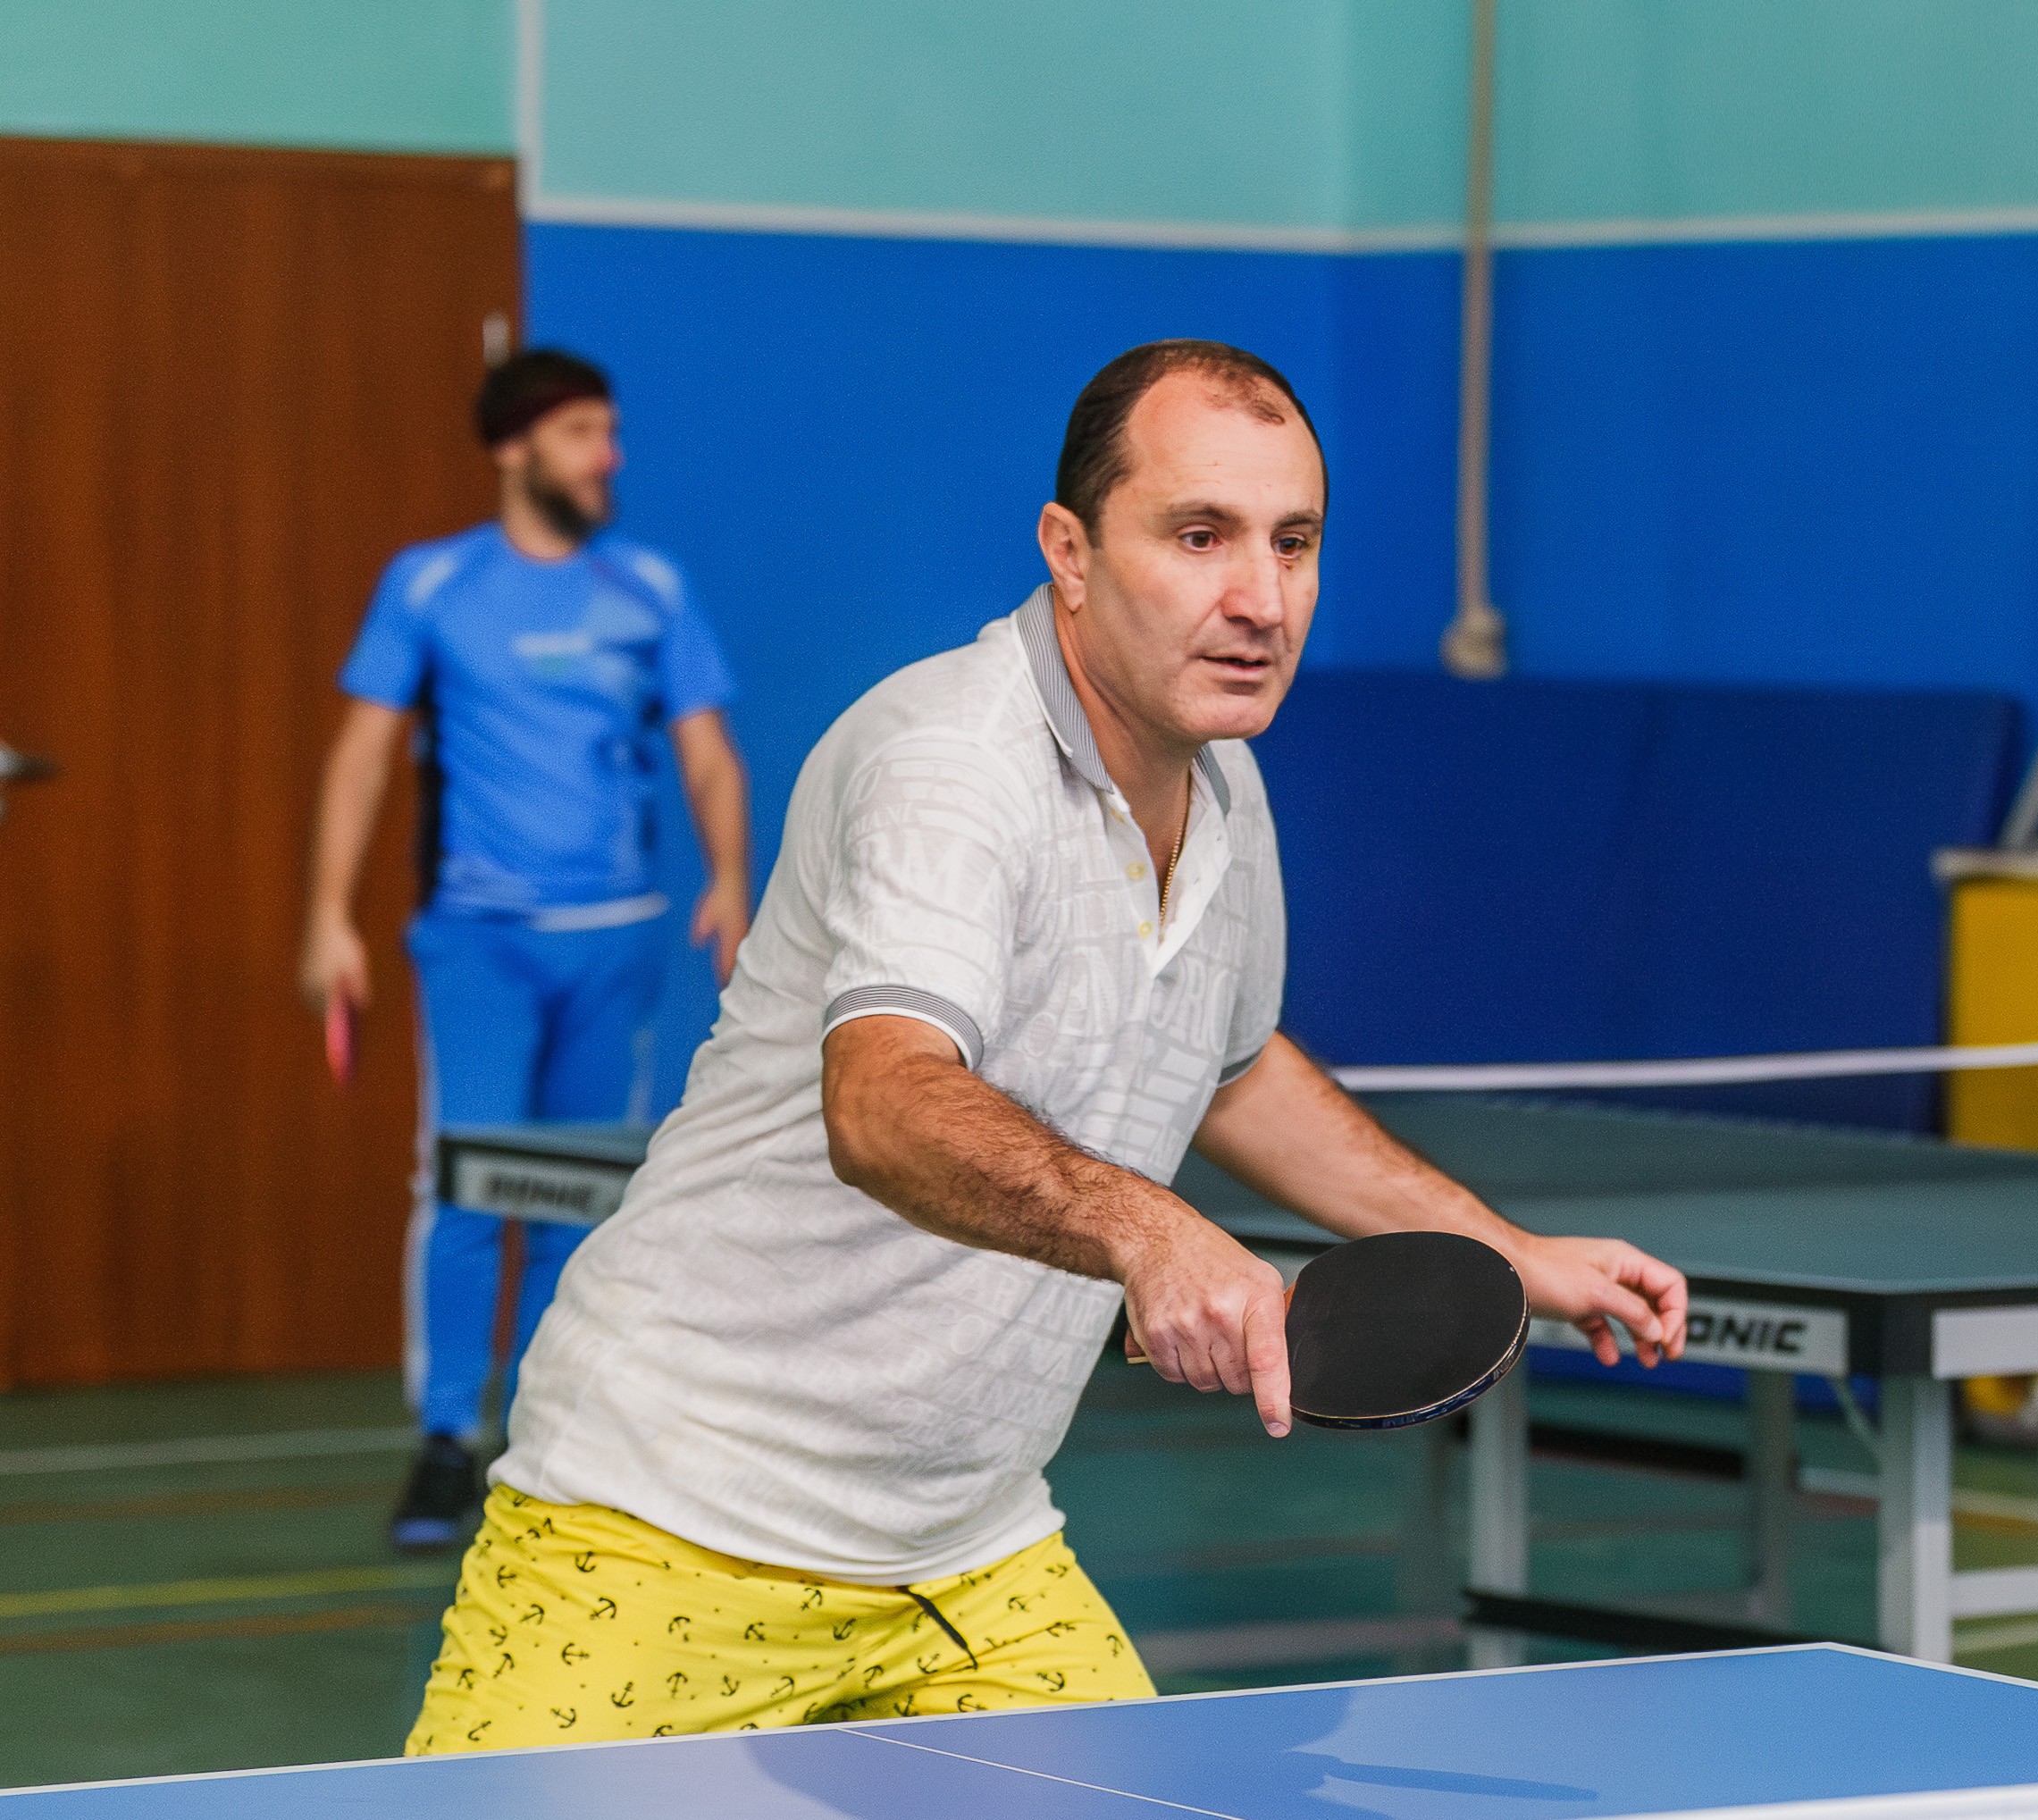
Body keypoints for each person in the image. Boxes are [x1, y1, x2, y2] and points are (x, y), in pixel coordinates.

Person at [402, 340, 1689, 1752]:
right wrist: (1148, 1231)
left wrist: (1507, 1251)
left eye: (1292, 542)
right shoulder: (950, 765)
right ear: (1068, 553)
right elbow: (882, 1100)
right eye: (1197, 536)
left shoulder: (1224, 784)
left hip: (967, 1554)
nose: (1259, 599)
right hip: (669, 1518)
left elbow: (1233, 1069)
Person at [298, 349, 751, 1553]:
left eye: (610, 432)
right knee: (464, 1186)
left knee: (578, 1196)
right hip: (478, 944)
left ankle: (543, 1436)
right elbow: (361, 753)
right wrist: (327, 915)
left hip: (615, 944)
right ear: (514, 448)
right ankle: (446, 1439)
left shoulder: (648, 586)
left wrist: (728, 879)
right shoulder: (431, 584)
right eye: (584, 433)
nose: (609, 456)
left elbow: (706, 750)